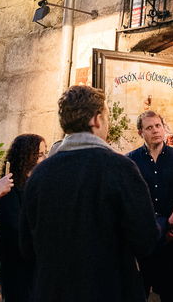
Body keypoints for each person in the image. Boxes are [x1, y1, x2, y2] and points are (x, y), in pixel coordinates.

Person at [19, 85, 159, 301]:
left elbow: (27, 248)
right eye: (106, 116)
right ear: (96, 119)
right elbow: (146, 239)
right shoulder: (120, 168)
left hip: (52, 292)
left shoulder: (39, 174)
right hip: (108, 290)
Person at [127, 111, 173, 302]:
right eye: (149, 127)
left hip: (172, 238)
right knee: (140, 292)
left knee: (170, 293)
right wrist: (153, 229)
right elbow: (131, 201)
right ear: (140, 133)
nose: (155, 130)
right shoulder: (131, 160)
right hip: (145, 239)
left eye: (158, 125)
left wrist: (169, 226)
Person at [0, 134, 47, 302]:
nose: (45, 158)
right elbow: (14, 231)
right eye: (40, 154)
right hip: (18, 268)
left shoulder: (39, 185)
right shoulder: (10, 189)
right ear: (27, 156)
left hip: (36, 268)